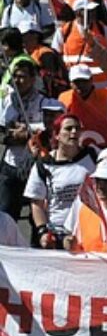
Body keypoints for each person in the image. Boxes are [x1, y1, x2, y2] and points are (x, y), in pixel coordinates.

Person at [24, 113, 95, 248]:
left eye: (77, 128)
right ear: (57, 135)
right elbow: (36, 203)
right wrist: (42, 232)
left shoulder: (92, 156)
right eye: (68, 129)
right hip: (58, 234)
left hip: (88, 229)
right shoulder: (44, 165)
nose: (74, 132)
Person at [0, 56, 46, 219]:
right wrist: (15, 136)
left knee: (37, 215)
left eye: (22, 77)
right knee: (5, 216)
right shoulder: (6, 101)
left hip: (33, 165)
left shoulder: (43, 102)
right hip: (10, 165)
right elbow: (2, 132)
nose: (17, 80)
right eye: (15, 76)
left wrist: (26, 132)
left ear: (32, 79)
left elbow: (48, 132)